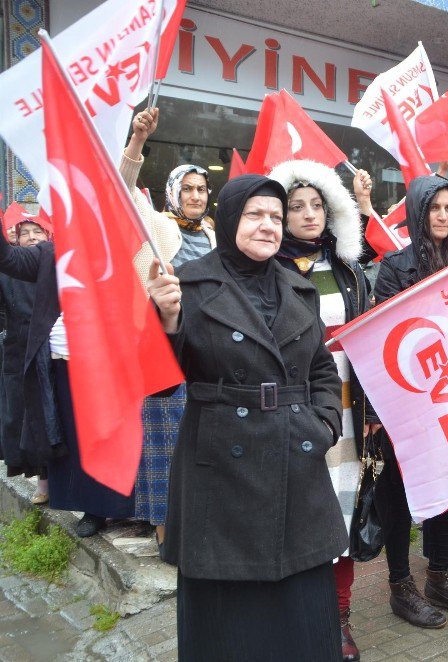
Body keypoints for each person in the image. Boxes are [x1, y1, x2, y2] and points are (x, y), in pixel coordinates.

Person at [147, 174, 346, 660]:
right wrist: (166, 322)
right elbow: (159, 381)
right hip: (220, 469)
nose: (268, 226)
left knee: (302, 614)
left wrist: (323, 424)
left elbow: (321, 367)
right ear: (233, 217)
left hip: (296, 458)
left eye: (276, 218)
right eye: (256, 215)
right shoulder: (187, 284)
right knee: (229, 626)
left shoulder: (300, 288)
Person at [371, 175, 448, 629]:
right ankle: (401, 585)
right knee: (398, 494)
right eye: (434, 208)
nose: (443, 217)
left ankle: (440, 574)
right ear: (418, 213)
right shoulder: (395, 265)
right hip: (408, 397)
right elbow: (385, 331)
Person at [269, 158, 371, 662]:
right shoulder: (265, 272)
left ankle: (339, 619)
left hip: (347, 414)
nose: (309, 215)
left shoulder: (349, 271)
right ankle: (291, 620)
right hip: (291, 411)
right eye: (296, 207)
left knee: (340, 515)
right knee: (291, 514)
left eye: (317, 206)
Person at [0, 214, 135, 539]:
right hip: (61, 362)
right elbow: (7, 258)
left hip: (109, 363)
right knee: (73, 439)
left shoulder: (118, 251)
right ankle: (93, 509)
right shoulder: (49, 255)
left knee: (111, 438)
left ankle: (124, 507)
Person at [122, 108, 219, 549]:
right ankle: (166, 537)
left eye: (201, 188)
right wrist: (138, 142)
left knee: (203, 444)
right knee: (166, 444)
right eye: (188, 188)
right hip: (164, 350)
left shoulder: (217, 235)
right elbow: (121, 193)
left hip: (208, 351)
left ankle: (199, 526)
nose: (196, 195)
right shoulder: (157, 226)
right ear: (173, 192)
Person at [0, 219, 50, 499]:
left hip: (49, 352)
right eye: (25, 233)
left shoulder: (54, 267)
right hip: (18, 351)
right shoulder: (9, 272)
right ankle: (41, 479)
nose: (31, 238)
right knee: (23, 419)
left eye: (37, 231)